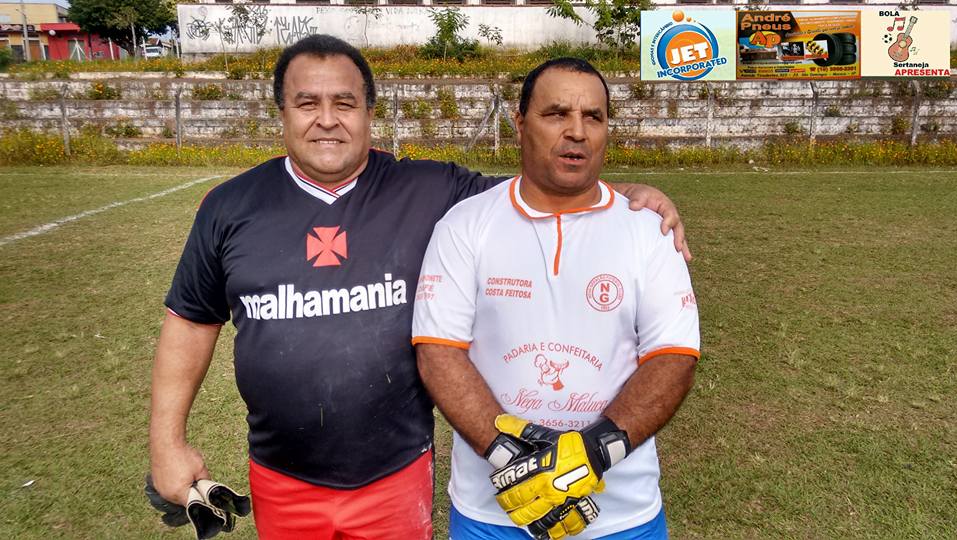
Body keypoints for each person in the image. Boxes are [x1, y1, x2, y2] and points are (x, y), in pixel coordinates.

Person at [149, 35, 689, 539]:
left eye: (345, 103)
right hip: (280, 471)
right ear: (282, 111)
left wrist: (628, 196)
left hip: (394, 474)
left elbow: (543, 186)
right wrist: (167, 443)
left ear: (370, 112)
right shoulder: (230, 208)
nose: (327, 119)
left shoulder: (428, 190)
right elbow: (191, 322)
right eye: (307, 103)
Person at [412, 57, 700, 539]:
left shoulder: (648, 231)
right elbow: (439, 352)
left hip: (622, 515)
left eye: (593, 117)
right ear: (520, 123)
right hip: (493, 513)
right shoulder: (465, 225)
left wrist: (595, 451)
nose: (577, 132)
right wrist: (513, 457)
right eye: (556, 114)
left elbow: (674, 357)